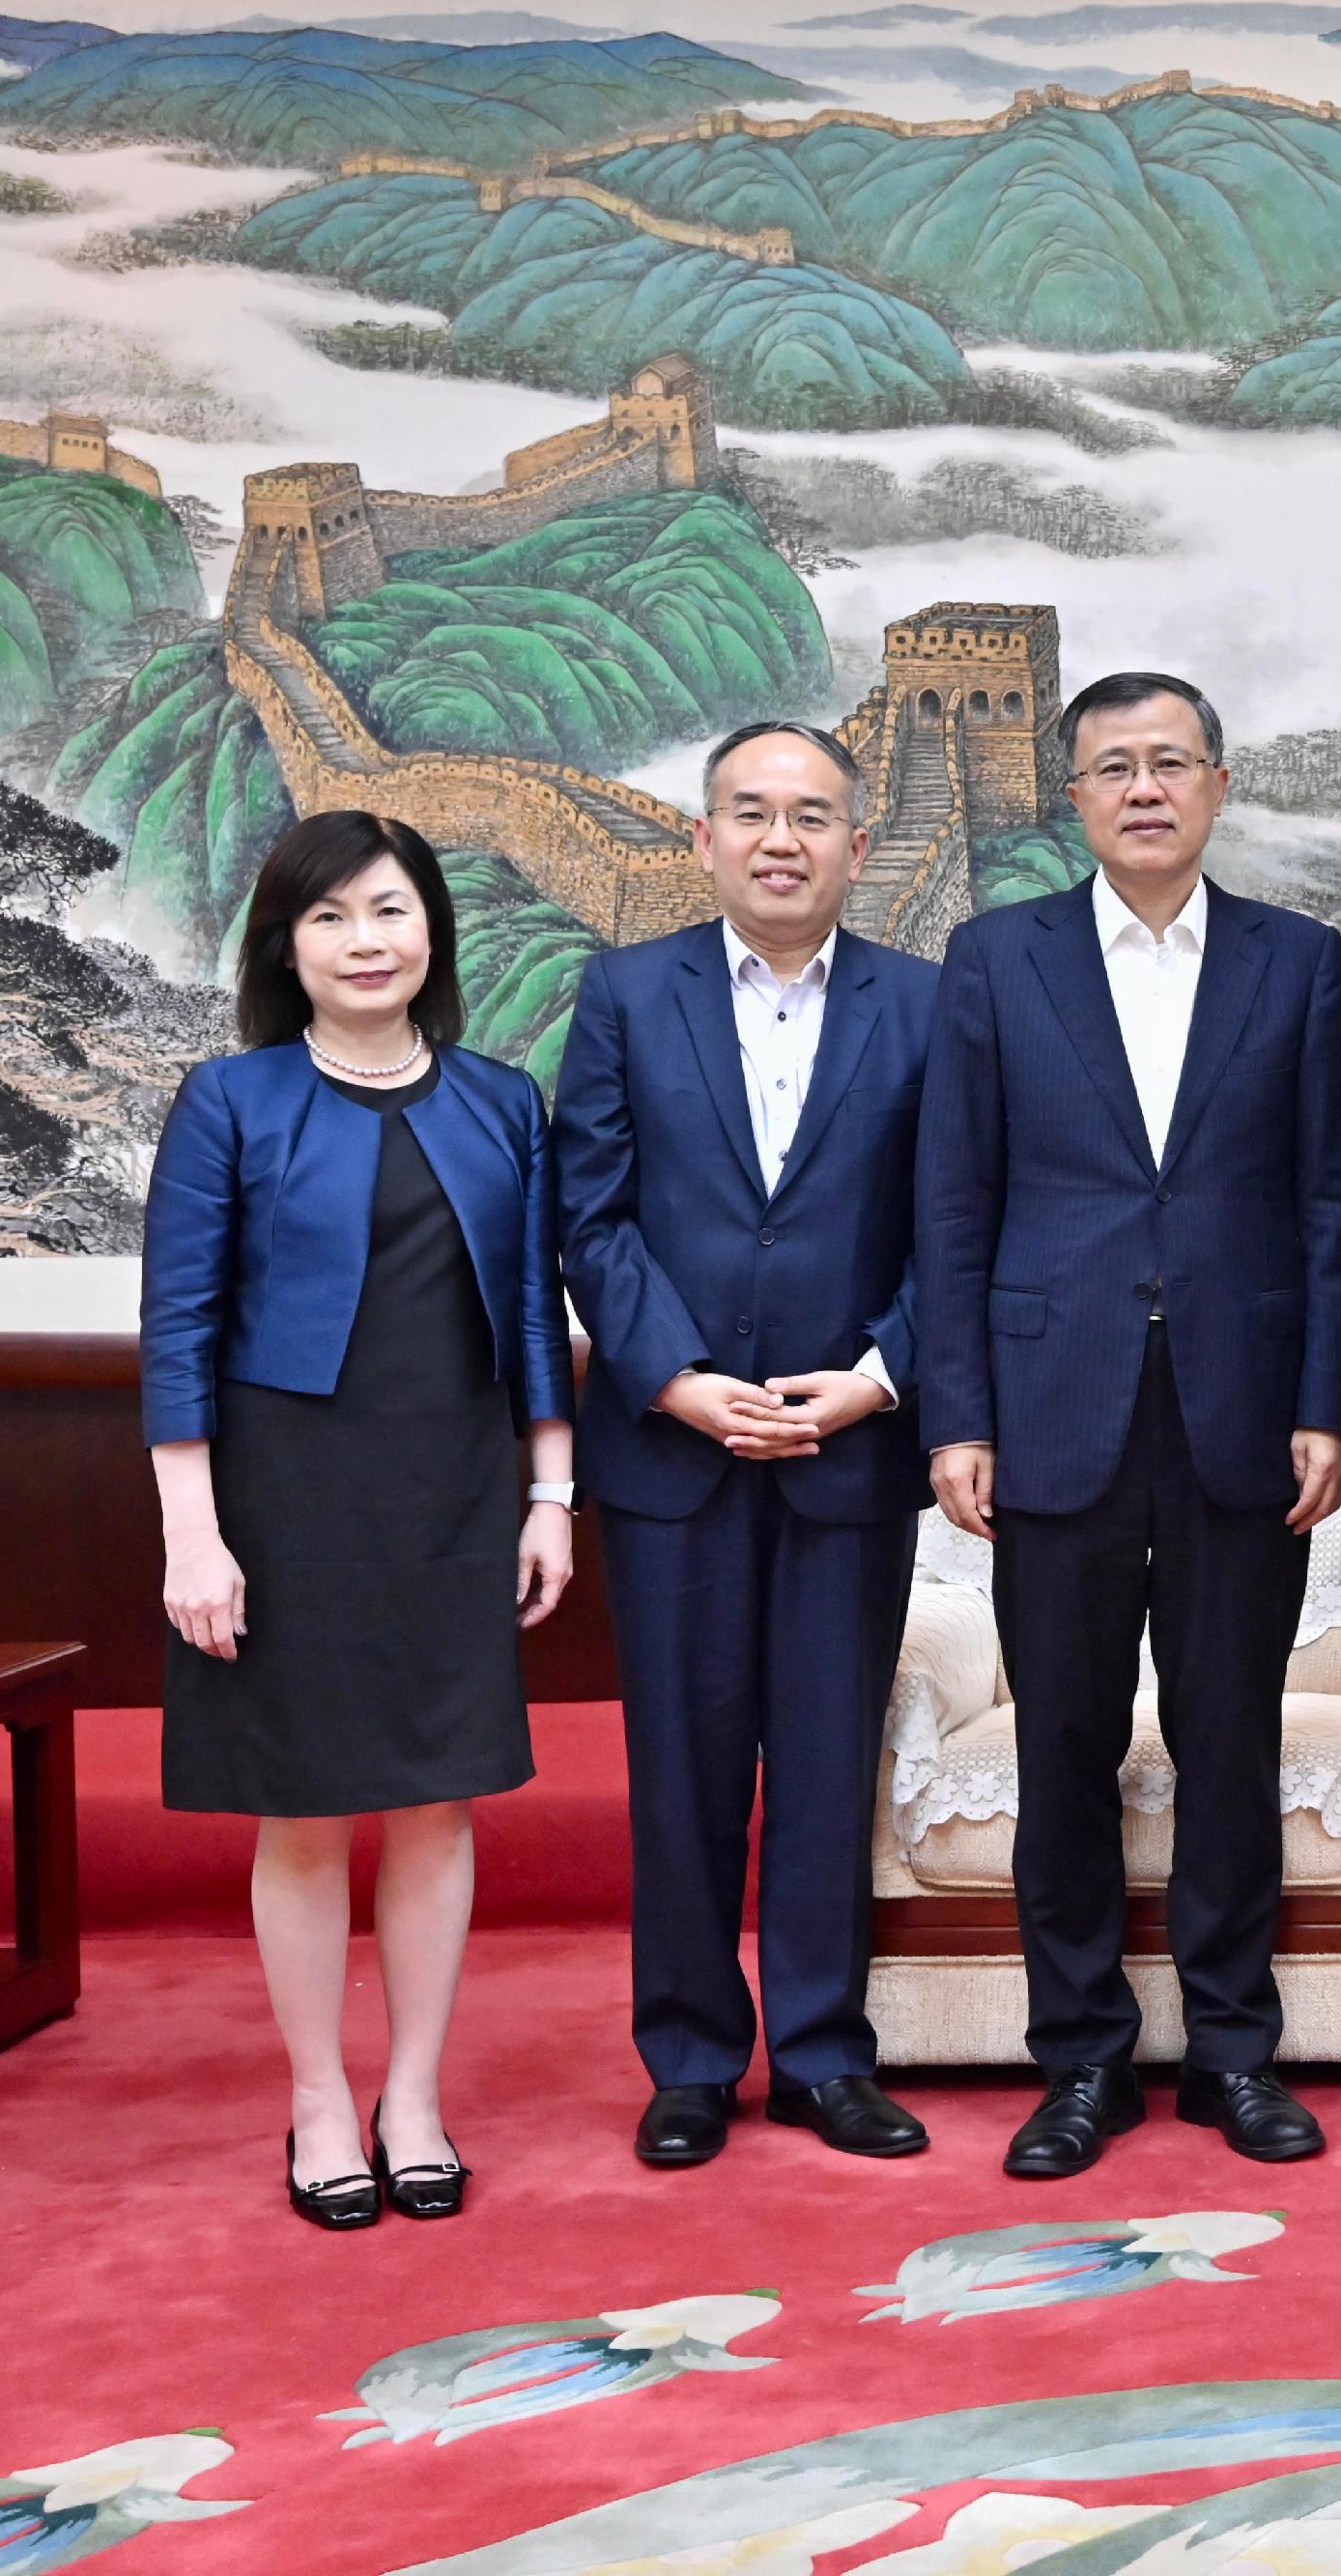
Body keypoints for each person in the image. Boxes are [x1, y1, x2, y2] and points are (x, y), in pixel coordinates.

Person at [916, 671, 1341, 2176]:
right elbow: (956, 1202)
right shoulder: (996, 959)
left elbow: (1330, 1203)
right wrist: (957, 1413)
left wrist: (1330, 1400)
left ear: (1219, 785)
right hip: (1053, 1411)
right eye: (1112, 765)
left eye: (1171, 761)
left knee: (1230, 1740)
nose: (1145, 788)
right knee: (1068, 1743)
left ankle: (1237, 2050)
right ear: (1075, 797)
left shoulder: (1298, 962)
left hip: (1245, 1409)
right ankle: (1082, 2060)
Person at [142, 811, 575, 2230]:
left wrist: (551, 1493)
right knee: (310, 1809)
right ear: (288, 943)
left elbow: (531, 1318)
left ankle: (416, 2097)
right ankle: (321, 2094)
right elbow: (180, 1333)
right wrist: (191, 1537)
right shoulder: (230, 1099)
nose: (366, 939)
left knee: (440, 1801)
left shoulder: (506, 1099)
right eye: (330, 917)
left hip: (453, 1486)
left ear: (430, 926)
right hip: (286, 1490)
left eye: (389, 909)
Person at [554, 721, 938, 2170]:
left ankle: (828, 2054)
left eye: (814, 815)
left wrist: (877, 1378)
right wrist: (676, 1379)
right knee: (685, 1762)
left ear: (856, 840)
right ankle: (695, 2056)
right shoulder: (624, 995)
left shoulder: (925, 1003)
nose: (783, 840)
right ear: (702, 837)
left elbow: (951, 1222)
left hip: (851, 1448)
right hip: (675, 1453)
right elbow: (591, 1213)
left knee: (831, 1760)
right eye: (752, 812)